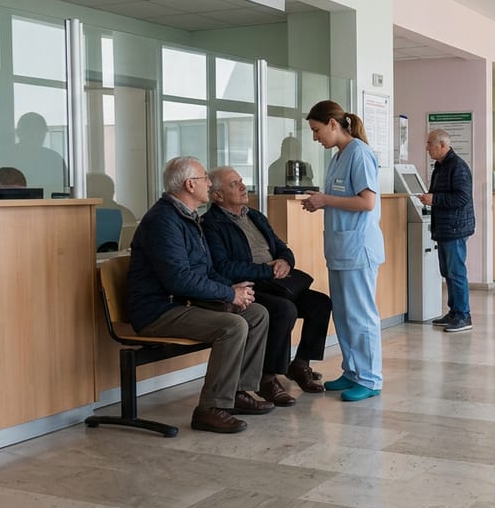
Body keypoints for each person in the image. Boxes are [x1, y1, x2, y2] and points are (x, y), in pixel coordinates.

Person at [126, 156, 272, 433]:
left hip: (185, 302)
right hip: (158, 310)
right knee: (233, 326)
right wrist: (228, 294)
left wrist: (236, 291)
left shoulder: (188, 217)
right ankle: (210, 409)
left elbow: (206, 270)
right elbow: (179, 280)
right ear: (190, 184)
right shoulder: (163, 221)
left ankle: (239, 392)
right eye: (205, 177)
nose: (209, 183)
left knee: (256, 313)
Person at [202, 165, 333, 401]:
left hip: (277, 281)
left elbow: (282, 247)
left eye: (241, 181)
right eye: (234, 184)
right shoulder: (211, 224)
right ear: (218, 196)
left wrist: (285, 261)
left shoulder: (254, 215)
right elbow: (222, 267)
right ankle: (267, 378)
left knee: (320, 303)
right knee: (284, 310)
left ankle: (301, 363)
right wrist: (266, 270)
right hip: (249, 286)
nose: (243, 186)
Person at [302, 100, 385, 402]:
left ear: (333, 124)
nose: (315, 137)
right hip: (340, 248)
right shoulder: (338, 157)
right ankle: (352, 371)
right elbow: (337, 198)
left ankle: (370, 378)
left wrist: (324, 200)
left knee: (361, 316)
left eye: (317, 130)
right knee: (345, 315)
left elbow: (367, 202)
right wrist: (319, 201)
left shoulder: (360, 154)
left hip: (358, 249)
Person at [420, 129, 475, 332]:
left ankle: (463, 315)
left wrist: (434, 199)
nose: (427, 148)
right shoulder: (440, 167)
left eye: (429, 144)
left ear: (442, 145)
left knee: (456, 272)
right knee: (447, 272)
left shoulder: (457, 167)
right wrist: (431, 197)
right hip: (444, 227)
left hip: (455, 227)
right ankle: (454, 312)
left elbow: (462, 198)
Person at [0, 112, 67, 189]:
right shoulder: (1, 157)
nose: (35, 137)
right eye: (30, 134)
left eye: (39, 133)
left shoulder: (54, 160)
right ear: (18, 133)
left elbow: (63, 191)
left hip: (45, 209)